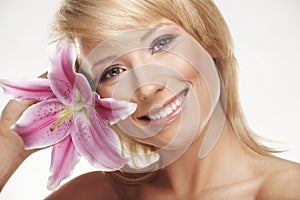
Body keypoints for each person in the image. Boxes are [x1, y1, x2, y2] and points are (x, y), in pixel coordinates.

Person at [1, 0, 300, 199]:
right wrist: (10, 144)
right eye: (112, 71)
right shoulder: (90, 195)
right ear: (95, 100)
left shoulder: (286, 190)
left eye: (161, 43)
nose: (145, 88)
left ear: (208, 40)